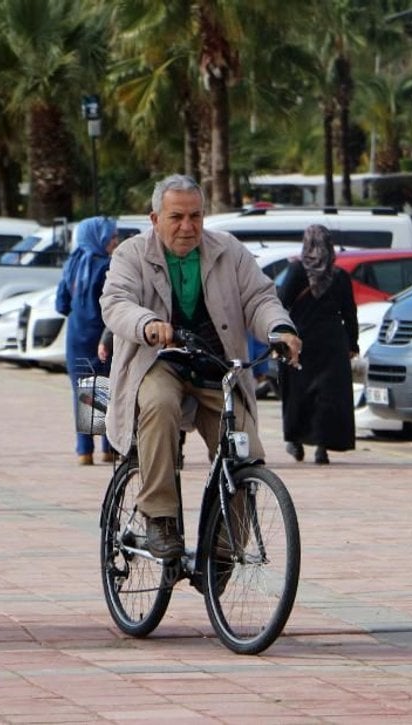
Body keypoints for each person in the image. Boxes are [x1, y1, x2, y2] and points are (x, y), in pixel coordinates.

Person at [100, 174, 302, 559]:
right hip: (157, 361)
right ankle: (160, 517)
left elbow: (260, 297)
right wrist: (148, 325)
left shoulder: (228, 251)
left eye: (196, 216)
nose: (187, 227)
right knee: (158, 405)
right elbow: (116, 302)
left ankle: (225, 550)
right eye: (176, 217)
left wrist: (280, 328)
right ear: (154, 218)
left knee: (246, 450)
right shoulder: (130, 254)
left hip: (215, 366)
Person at [278, 224, 359, 465]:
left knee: (298, 393)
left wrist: (279, 336)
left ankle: (296, 440)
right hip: (332, 342)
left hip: (300, 341)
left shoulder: (296, 271)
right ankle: (322, 446)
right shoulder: (340, 276)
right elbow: (349, 313)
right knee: (327, 395)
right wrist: (352, 343)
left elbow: (281, 303)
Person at [55, 216, 119, 465]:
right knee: (105, 387)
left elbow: (60, 304)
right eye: (111, 237)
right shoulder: (108, 267)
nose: (115, 241)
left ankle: (84, 450)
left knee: (84, 388)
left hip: (76, 336)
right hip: (102, 335)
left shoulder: (72, 264)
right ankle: (109, 448)